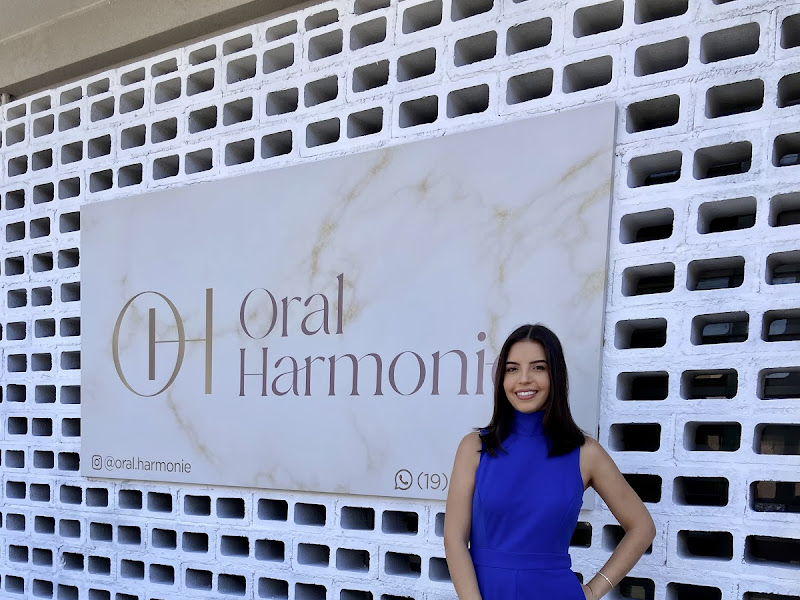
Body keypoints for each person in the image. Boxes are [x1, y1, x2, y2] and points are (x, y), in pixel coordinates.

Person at [444, 324, 655, 600]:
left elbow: (642, 528)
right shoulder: (474, 448)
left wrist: (593, 590)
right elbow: (455, 540)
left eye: (538, 367)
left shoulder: (585, 453)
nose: (524, 379)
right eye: (512, 369)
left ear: (555, 374)